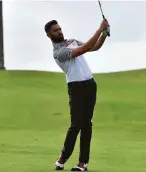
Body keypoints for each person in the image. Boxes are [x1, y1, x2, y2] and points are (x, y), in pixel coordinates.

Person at [44, 19, 109, 171]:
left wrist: (104, 34)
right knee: (76, 125)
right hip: (76, 87)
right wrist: (99, 29)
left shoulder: (72, 41)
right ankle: (62, 158)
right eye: (55, 30)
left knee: (87, 125)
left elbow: (94, 47)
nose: (59, 31)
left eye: (59, 28)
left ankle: (82, 164)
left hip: (90, 84)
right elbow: (83, 49)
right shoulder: (58, 53)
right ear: (49, 35)